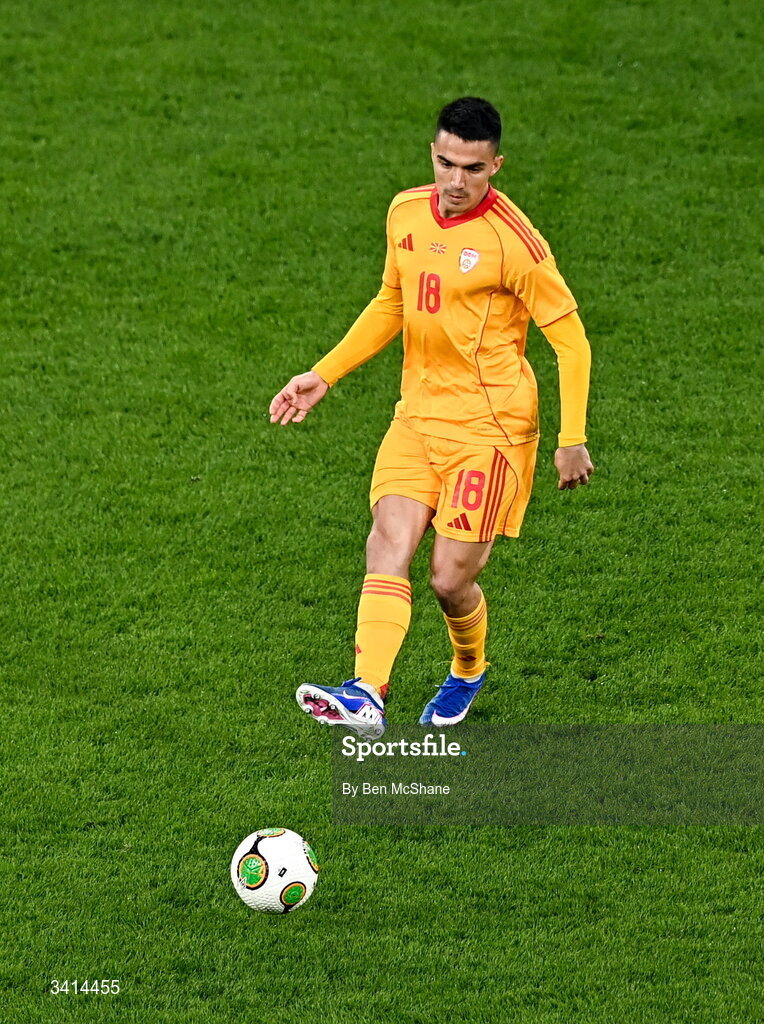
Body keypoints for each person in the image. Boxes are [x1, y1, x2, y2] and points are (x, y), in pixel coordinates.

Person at [269, 97, 594, 739]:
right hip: (416, 417)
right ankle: (367, 692)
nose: (454, 181)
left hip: (490, 432)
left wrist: (571, 439)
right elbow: (392, 301)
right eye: (445, 162)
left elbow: (572, 340)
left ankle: (468, 668)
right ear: (433, 154)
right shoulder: (405, 211)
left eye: (472, 168)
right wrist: (325, 372)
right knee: (386, 545)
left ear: (494, 166)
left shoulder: (516, 244)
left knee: (450, 580)